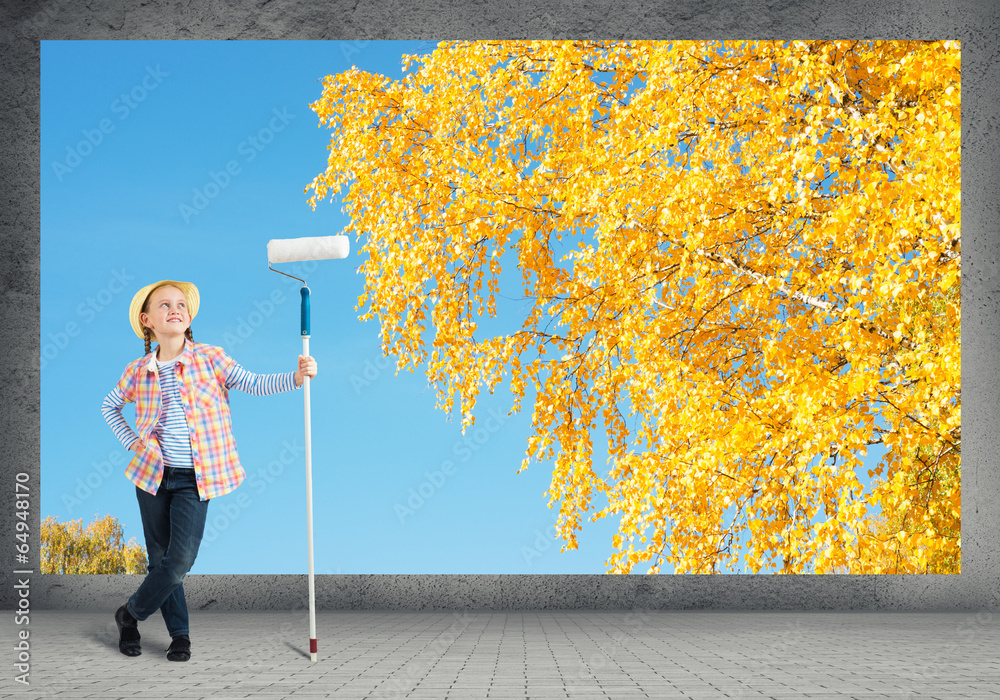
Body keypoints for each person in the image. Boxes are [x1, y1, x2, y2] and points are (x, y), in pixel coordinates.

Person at [101, 280, 317, 661]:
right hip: (151, 476)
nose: (175, 309)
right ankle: (179, 636)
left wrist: (296, 378)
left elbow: (253, 383)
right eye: (164, 305)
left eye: (181, 304)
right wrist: (133, 442)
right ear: (147, 320)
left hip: (193, 479)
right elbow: (109, 406)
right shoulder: (138, 370)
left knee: (179, 561)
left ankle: (129, 615)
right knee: (160, 561)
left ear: (189, 317)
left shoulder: (211, 358)